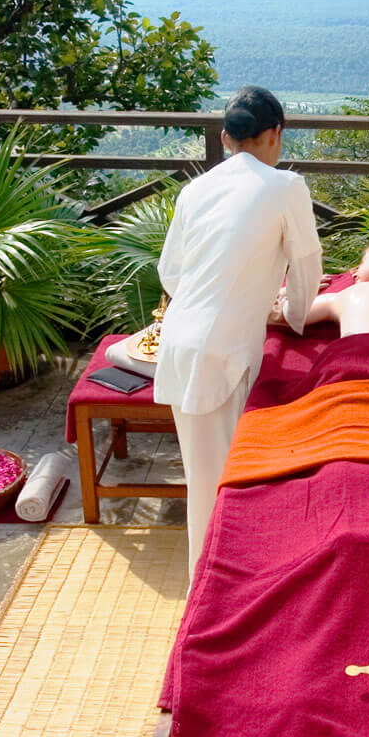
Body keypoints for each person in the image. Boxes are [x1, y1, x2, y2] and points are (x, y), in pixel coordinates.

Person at [149, 85, 323, 581]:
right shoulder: (285, 186)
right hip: (218, 351)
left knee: (204, 478)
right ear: (276, 135)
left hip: (182, 339)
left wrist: (233, 296)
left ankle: (217, 587)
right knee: (220, 486)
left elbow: (171, 272)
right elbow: (307, 267)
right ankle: (211, 597)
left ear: (226, 138)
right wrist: (291, 315)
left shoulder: (196, 189)